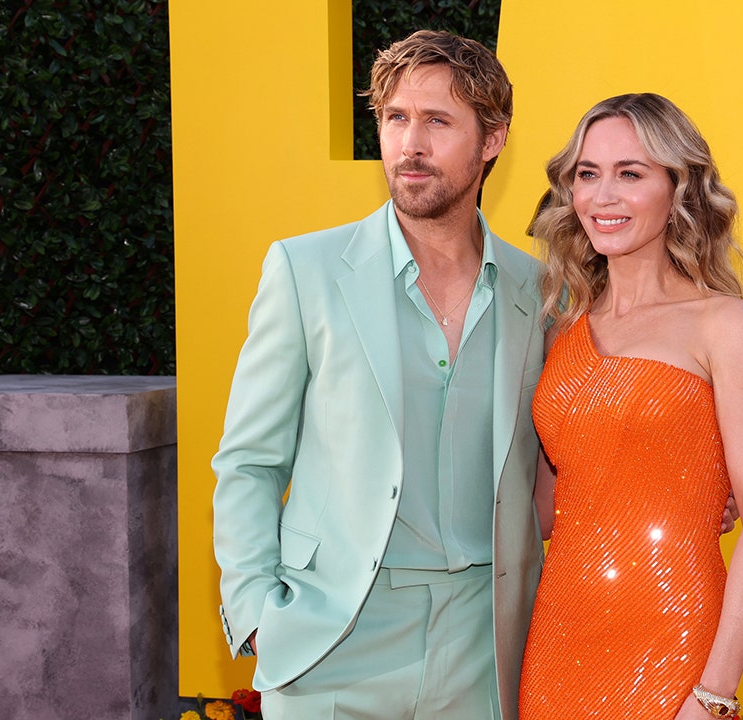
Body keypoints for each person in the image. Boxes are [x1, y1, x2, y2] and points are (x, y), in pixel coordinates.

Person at [211, 30, 547, 720]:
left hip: (484, 643)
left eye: (437, 121)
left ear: (492, 139)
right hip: (332, 638)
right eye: (395, 118)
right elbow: (249, 459)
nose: (409, 145)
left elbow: (575, 445)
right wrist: (253, 612)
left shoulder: (538, 290)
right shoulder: (305, 271)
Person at [519, 93, 743, 720]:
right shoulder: (561, 331)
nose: (601, 196)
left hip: (674, 636)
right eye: (588, 174)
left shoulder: (725, 326)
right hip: (558, 636)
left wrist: (715, 694)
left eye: (631, 173)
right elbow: (544, 509)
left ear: (680, 189)